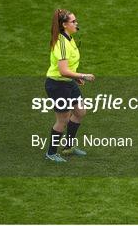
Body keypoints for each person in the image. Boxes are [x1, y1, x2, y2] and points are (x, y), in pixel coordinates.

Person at [44, 9, 95, 162]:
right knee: (63, 120)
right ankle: (51, 153)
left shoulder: (69, 38)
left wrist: (75, 77)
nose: (76, 23)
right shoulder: (61, 43)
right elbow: (63, 70)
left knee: (80, 112)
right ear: (64, 25)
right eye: (73, 21)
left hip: (67, 82)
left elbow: (68, 70)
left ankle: (68, 147)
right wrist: (82, 75)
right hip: (57, 85)